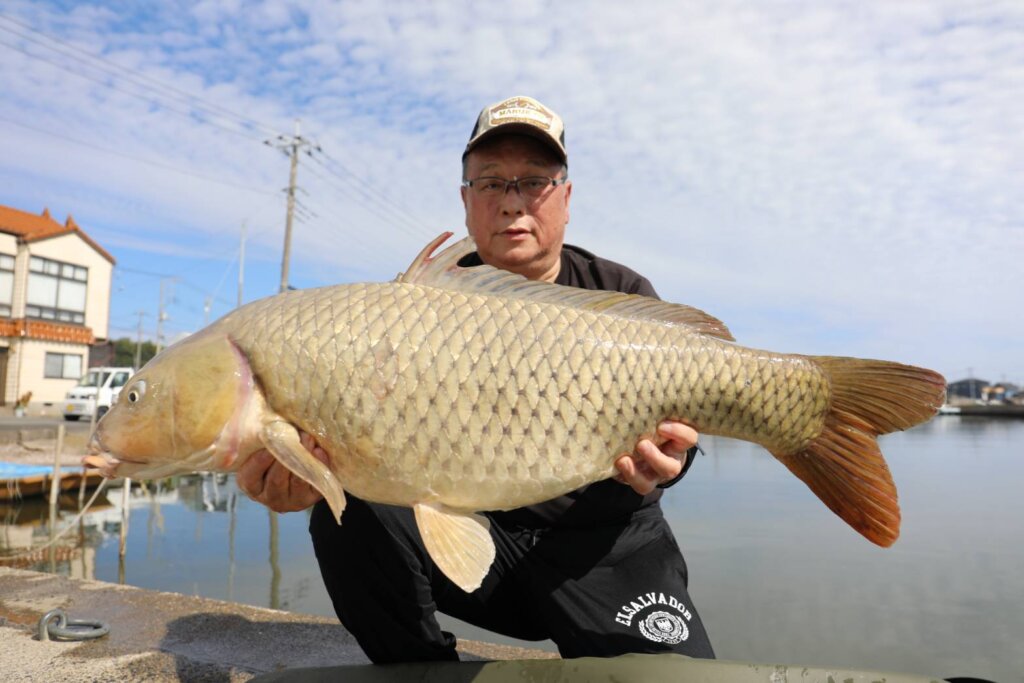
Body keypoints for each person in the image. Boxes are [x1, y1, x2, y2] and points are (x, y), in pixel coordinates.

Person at [237, 96, 715, 662]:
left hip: (607, 549)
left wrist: (671, 464)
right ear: (465, 201)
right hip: (474, 544)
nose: (512, 202)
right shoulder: (408, 307)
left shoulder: (621, 295)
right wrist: (308, 471)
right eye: (490, 183)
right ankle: (418, 669)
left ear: (565, 198)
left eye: (533, 182)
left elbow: (684, 430)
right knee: (350, 511)